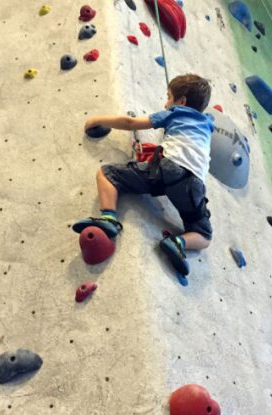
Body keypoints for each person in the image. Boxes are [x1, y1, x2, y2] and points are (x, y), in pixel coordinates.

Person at [73, 74, 214, 276]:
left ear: (181, 101)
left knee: (107, 174)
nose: (166, 103)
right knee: (204, 236)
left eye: (168, 97)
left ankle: (109, 218)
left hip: (166, 170)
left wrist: (97, 119)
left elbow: (130, 122)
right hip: (194, 184)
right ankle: (179, 242)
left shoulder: (176, 112)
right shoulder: (208, 125)